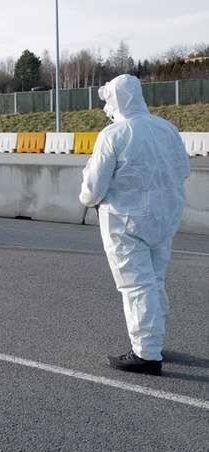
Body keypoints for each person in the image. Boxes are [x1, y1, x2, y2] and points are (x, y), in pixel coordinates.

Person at [79, 74, 190, 376]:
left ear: (117, 99)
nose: (106, 108)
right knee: (154, 280)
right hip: (164, 218)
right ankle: (154, 341)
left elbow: (93, 186)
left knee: (136, 285)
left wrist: (87, 199)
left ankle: (146, 354)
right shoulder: (167, 129)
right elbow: (183, 169)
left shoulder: (113, 135)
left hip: (125, 221)